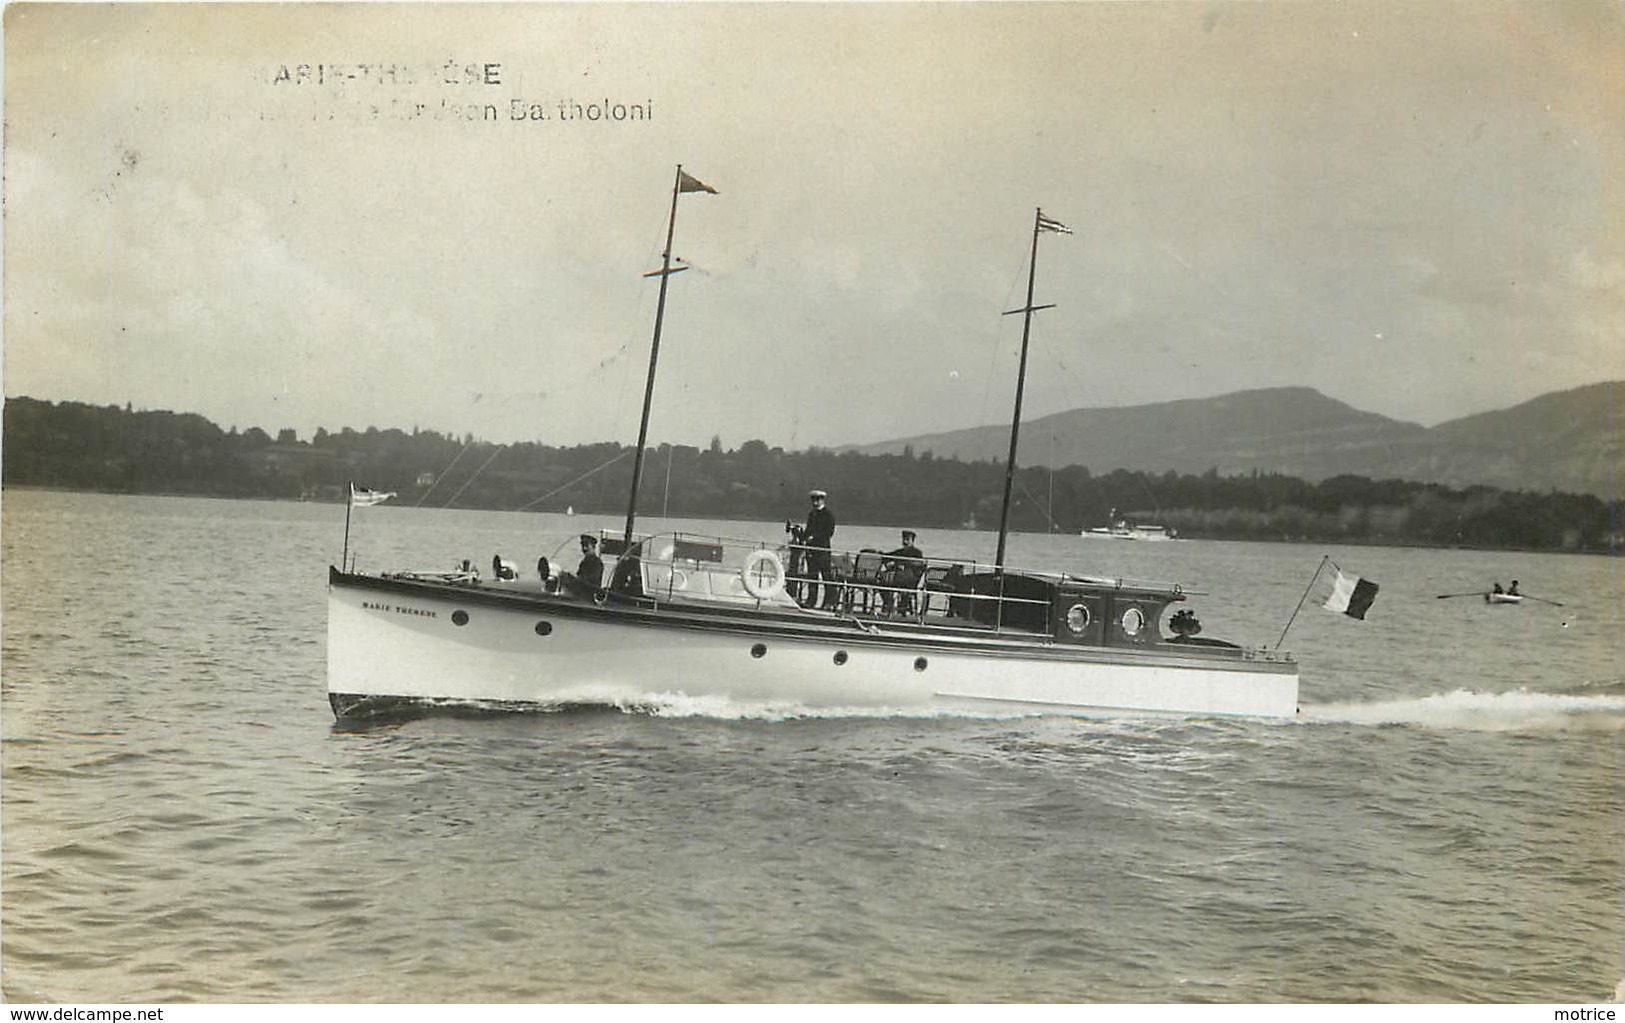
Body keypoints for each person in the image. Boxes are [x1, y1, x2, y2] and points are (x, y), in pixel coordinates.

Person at [801, 489, 837, 609]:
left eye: (817, 500)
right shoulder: (812, 515)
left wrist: (813, 538)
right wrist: (801, 535)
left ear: (822, 500)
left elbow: (828, 533)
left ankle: (829, 602)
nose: (815, 502)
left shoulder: (828, 515)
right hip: (812, 551)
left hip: (822, 551)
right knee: (812, 576)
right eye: (813, 500)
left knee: (827, 576)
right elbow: (808, 531)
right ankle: (811, 601)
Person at [880, 529, 925, 615]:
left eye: (908, 540)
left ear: (912, 541)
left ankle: (901, 609)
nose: (905, 541)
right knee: (881, 582)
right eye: (904, 539)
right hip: (898, 578)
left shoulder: (917, 553)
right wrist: (881, 556)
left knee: (904, 587)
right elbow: (887, 556)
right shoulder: (900, 552)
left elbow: (918, 564)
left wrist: (901, 564)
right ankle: (888, 604)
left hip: (910, 580)